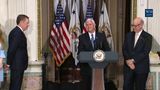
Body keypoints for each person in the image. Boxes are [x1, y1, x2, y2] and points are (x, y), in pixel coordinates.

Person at [77, 18, 110, 90]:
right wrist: (91, 56)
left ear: (94, 25)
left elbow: (108, 51)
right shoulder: (82, 38)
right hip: (87, 69)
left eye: (90, 24)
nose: (88, 26)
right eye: (87, 25)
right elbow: (80, 54)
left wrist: (104, 63)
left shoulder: (101, 36)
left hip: (99, 69)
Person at [122, 17, 152, 90]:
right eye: (133, 25)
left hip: (141, 68)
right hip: (128, 68)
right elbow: (124, 49)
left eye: (136, 25)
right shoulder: (128, 35)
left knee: (140, 88)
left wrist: (132, 60)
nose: (134, 27)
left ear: (141, 25)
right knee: (126, 87)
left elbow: (145, 52)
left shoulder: (148, 37)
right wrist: (128, 60)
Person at [7, 14, 29, 90]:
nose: (28, 25)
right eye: (27, 23)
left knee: (16, 86)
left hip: (19, 65)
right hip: (17, 66)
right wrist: (8, 63)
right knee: (15, 87)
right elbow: (12, 49)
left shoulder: (18, 32)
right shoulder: (16, 33)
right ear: (21, 22)